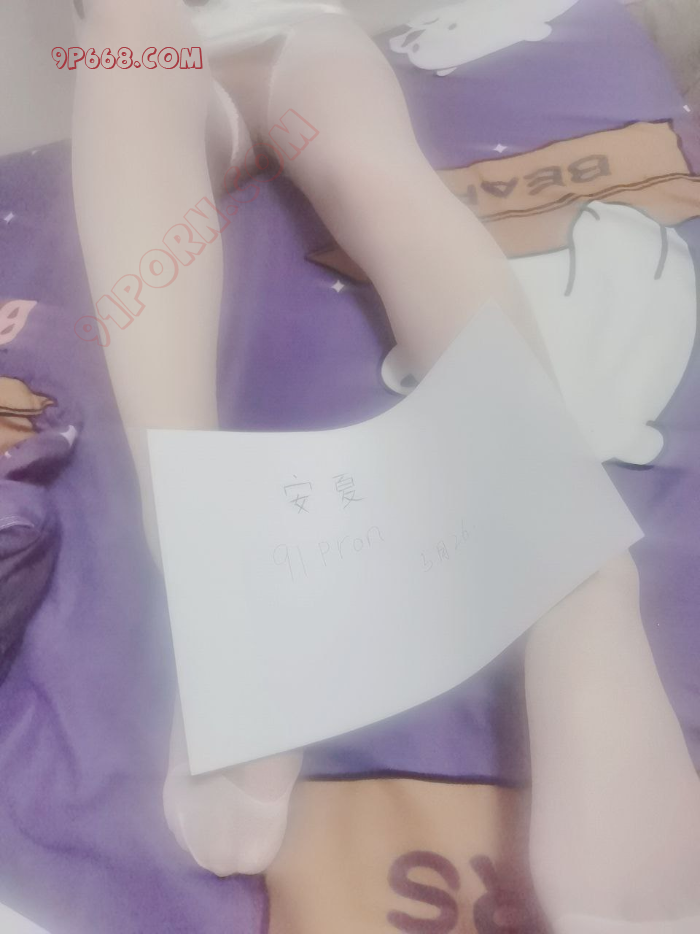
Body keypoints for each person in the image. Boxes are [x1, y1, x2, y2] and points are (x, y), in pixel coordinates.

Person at [70, 1, 700, 930]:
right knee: (134, 42)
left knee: (376, 173)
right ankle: (216, 598)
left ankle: (577, 582)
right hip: (173, 63)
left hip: (285, 38)